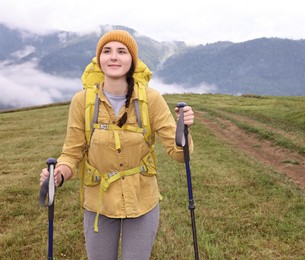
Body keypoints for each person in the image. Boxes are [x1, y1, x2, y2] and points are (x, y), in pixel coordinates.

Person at [39, 30, 194, 259]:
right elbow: (71, 153)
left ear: (132, 60)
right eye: (107, 51)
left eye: (122, 51)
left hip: (142, 202)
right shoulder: (82, 101)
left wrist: (184, 128)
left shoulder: (151, 100)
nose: (113, 57)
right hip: (98, 205)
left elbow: (180, 154)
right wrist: (58, 174)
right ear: (98, 60)